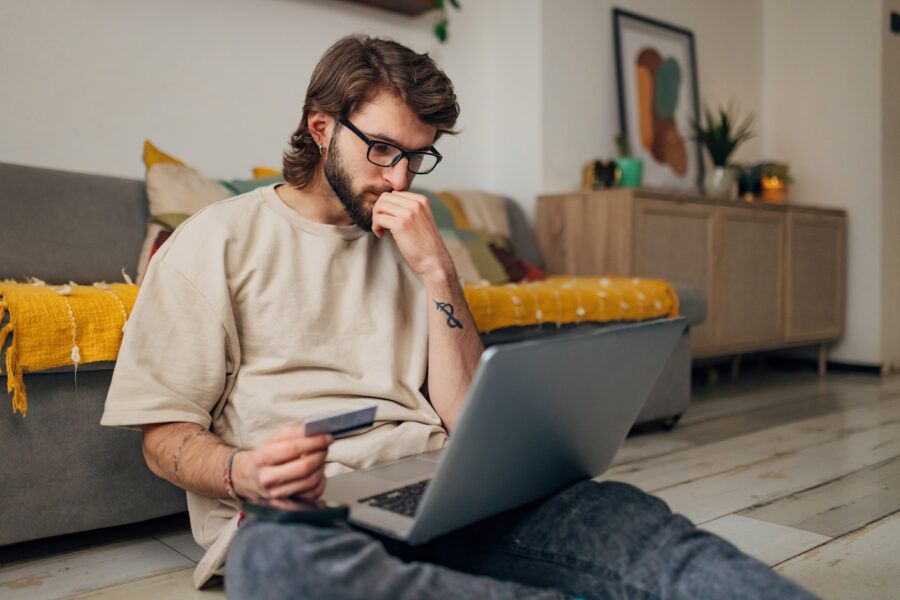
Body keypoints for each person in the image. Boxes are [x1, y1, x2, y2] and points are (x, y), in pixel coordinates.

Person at [102, 35, 817, 599]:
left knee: (631, 521)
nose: (401, 178)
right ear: (321, 128)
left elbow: (465, 413)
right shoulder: (214, 241)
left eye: (419, 157)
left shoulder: (418, 242)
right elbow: (163, 437)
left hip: (445, 489)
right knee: (277, 565)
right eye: (383, 149)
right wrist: (241, 474)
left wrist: (439, 271)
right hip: (310, 516)